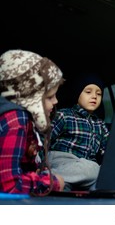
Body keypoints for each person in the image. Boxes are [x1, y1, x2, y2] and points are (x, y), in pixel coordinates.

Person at [0, 49, 65, 195]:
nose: (56, 101)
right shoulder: (16, 120)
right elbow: (9, 186)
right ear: (30, 99)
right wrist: (51, 182)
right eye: (50, 97)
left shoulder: (26, 121)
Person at [48, 73, 109, 191]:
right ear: (78, 94)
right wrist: (38, 165)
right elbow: (44, 141)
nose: (94, 96)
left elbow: (110, 151)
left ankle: (55, 181)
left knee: (102, 182)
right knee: (94, 170)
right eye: (88, 92)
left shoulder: (100, 124)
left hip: (85, 169)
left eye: (99, 93)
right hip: (61, 161)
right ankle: (48, 176)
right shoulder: (64, 115)